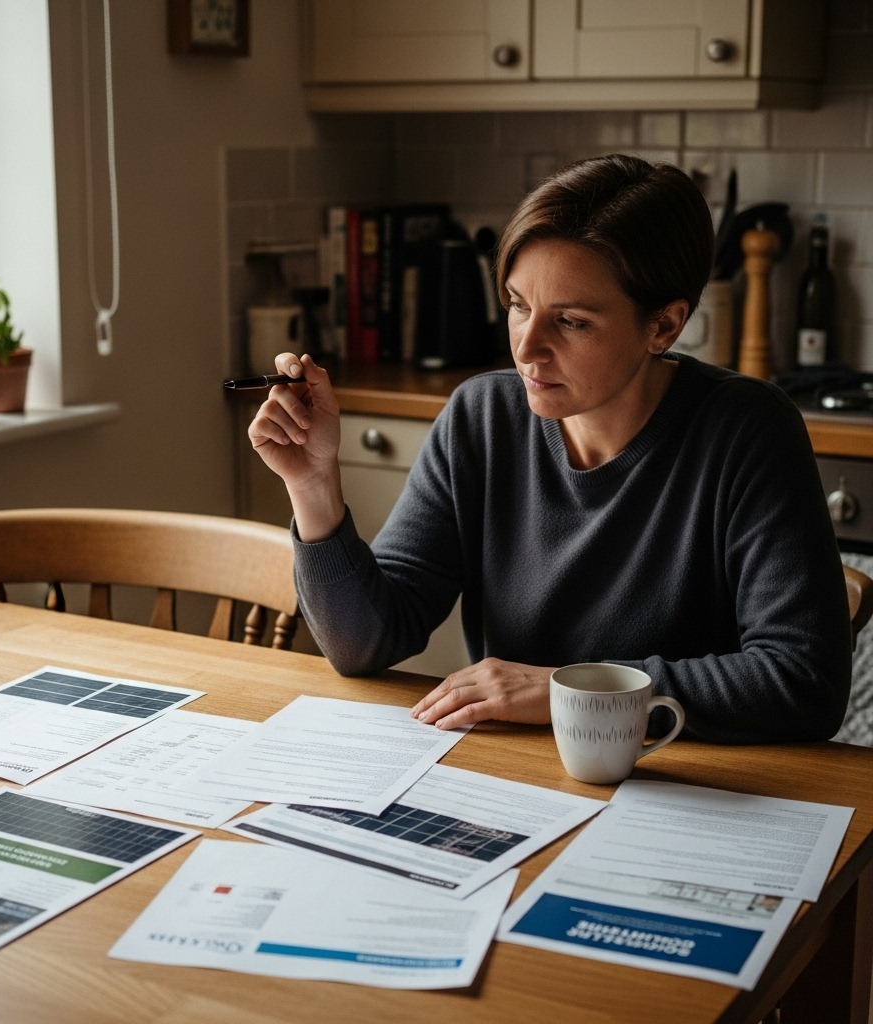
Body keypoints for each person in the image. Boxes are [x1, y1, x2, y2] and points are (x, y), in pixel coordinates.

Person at [247, 154, 852, 745]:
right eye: (518, 305)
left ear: (663, 326)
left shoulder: (747, 430)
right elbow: (364, 643)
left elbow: (803, 681)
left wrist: (573, 691)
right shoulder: (481, 418)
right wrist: (313, 483)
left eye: (571, 321)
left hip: (684, 781)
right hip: (520, 774)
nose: (526, 348)